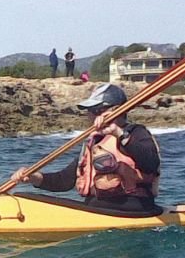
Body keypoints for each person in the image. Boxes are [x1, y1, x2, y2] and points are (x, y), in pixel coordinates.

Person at [12, 83, 161, 213]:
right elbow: (64, 181)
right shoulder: (94, 142)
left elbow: (151, 163)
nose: (91, 116)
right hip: (96, 211)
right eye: (90, 111)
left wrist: (117, 132)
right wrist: (33, 177)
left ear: (116, 110)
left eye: (97, 110)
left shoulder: (136, 133)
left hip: (131, 211)